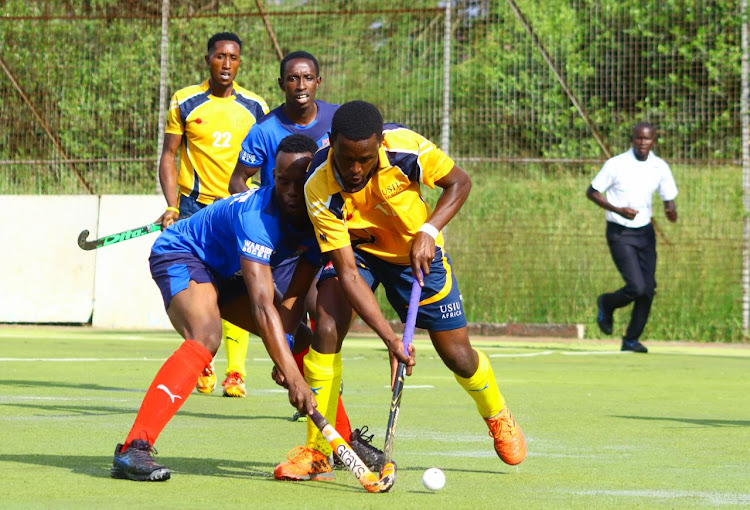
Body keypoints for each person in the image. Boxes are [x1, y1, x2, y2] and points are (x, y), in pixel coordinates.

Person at [273, 100, 526, 482]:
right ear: (332, 143)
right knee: (325, 323)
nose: (354, 170)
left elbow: (460, 182)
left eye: (365, 159)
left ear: (379, 145)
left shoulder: (406, 147)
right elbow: (346, 272)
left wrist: (429, 231)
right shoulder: (318, 185)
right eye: (345, 158)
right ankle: (318, 450)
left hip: (417, 253)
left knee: (458, 356)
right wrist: (391, 339)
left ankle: (496, 414)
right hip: (357, 252)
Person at [111, 135, 320, 482]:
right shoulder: (258, 217)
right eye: (283, 181)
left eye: (301, 183)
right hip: (182, 253)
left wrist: (286, 350)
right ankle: (134, 447)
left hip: (225, 272)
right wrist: (291, 374)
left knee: (303, 339)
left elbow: (294, 298)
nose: (291, 191)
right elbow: (261, 305)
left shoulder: (320, 216)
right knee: (206, 335)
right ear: (271, 177)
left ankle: (343, 439)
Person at [229, 50, 354, 439]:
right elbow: (238, 182)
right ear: (281, 83)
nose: (300, 87)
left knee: (329, 317)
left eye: (307, 78)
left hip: (331, 234)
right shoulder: (264, 130)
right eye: (292, 79)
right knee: (305, 313)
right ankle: (311, 385)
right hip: (291, 243)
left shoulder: (338, 120)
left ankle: (321, 387)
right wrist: (263, 210)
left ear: (319, 81)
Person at [156, 32, 270, 397]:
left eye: (233, 57)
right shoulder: (185, 100)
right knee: (197, 293)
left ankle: (235, 372)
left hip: (236, 212)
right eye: (220, 56)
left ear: (240, 62)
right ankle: (203, 358)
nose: (226, 63)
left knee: (242, 286)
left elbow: (267, 161)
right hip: (193, 211)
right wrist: (172, 205)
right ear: (208, 59)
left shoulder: (255, 106)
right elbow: (169, 156)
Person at [586, 122, 678, 353]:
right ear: (633, 139)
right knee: (636, 286)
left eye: (647, 139)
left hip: (645, 233)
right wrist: (618, 209)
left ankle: (630, 340)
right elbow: (592, 192)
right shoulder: (617, 164)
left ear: (653, 141)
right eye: (639, 138)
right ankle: (607, 303)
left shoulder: (659, 167)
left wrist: (671, 210)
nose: (643, 143)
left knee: (648, 289)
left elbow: (668, 197)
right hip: (620, 232)